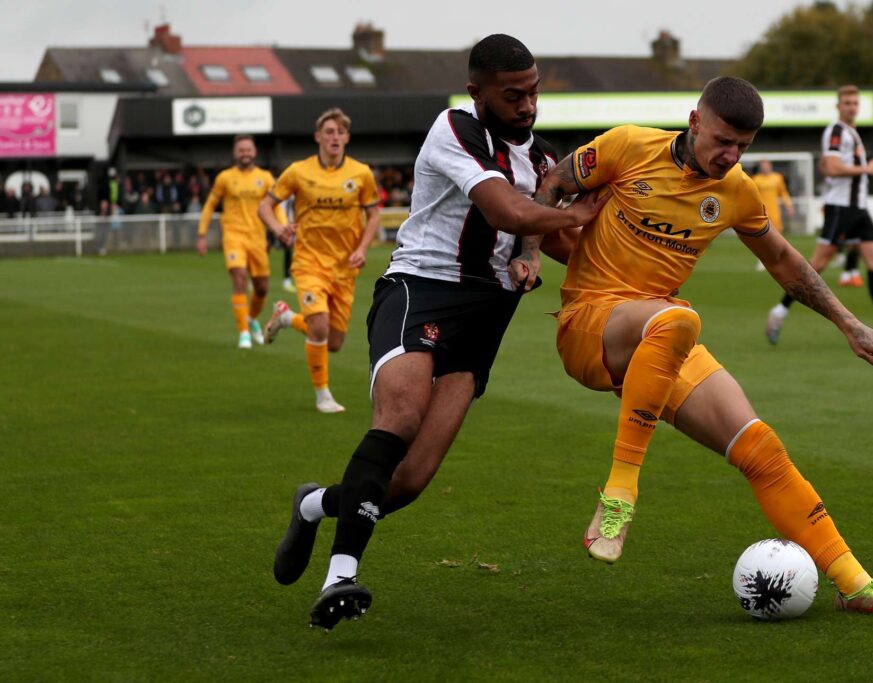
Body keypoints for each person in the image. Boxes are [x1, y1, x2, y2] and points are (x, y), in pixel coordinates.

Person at [533, 76, 873, 617]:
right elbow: (551, 182)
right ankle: (619, 494)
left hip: (661, 337)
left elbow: (786, 262)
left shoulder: (738, 191)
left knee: (761, 449)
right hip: (589, 325)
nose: (730, 155)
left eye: (743, 145)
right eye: (722, 140)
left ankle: (855, 584)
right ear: (695, 121)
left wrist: (849, 323)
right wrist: (532, 250)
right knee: (677, 319)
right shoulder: (627, 146)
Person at [269, 34, 607, 630]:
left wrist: (611, 261)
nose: (528, 106)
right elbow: (507, 211)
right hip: (421, 289)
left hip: (488, 314)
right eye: (513, 95)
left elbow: (550, 236)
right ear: (477, 93)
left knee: (409, 481)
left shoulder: (545, 160)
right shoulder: (453, 129)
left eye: (533, 93)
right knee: (398, 417)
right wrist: (579, 211)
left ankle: (315, 503)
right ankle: (340, 576)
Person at [766, 85, 873, 345]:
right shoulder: (836, 131)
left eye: (855, 103)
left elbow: (828, 166)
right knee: (816, 266)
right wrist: (867, 169)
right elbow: (833, 168)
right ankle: (779, 312)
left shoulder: (852, 133)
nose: (851, 107)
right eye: (847, 102)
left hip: (859, 209)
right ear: (838, 106)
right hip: (841, 209)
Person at [258, 108, 381, 413]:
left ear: (347, 138)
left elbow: (374, 213)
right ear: (318, 137)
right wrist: (278, 230)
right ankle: (322, 395)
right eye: (329, 132)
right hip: (309, 262)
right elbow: (265, 205)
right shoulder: (299, 172)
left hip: (344, 268)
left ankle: (287, 318)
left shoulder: (361, 173)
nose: (335, 137)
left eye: (340, 132)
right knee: (321, 328)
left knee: (334, 342)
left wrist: (363, 248)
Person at [197, 134, 285, 349]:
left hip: (257, 238)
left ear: (254, 152)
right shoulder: (225, 178)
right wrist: (202, 234)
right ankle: (244, 333)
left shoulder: (265, 177)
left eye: (248, 149)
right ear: (235, 153)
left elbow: (277, 205)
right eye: (241, 150)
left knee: (262, 288)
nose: (245, 153)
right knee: (239, 277)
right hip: (234, 236)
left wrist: (282, 228)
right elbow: (210, 205)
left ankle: (251, 318)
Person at [751, 159, 794, 271]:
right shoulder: (756, 179)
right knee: (762, 237)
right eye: (763, 166)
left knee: (777, 236)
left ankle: (778, 259)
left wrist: (789, 206)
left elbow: (783, 192)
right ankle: (762, 260)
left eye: (767, 165)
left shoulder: (777, 178)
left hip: (775, 211)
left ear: (770, 166)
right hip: (761, 211)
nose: (765, 167)